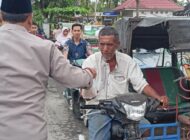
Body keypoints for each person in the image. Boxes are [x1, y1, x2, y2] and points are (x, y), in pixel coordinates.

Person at [0, 0, 96, 140]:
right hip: (31, 133)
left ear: (1, 16)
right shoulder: (44, 47)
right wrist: (88, 75)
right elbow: (71, 77)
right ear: (30, 18)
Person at [82, 26, 169, 140]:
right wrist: (86, 83)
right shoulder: (90, 62)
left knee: (147, 129)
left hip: (124, 109)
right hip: (99, 109)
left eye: (109, 45)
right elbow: (84, 91)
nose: (105, 49)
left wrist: (159, 98)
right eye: (102, 44)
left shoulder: (127, 61)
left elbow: (141, 84)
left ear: (117, 44)